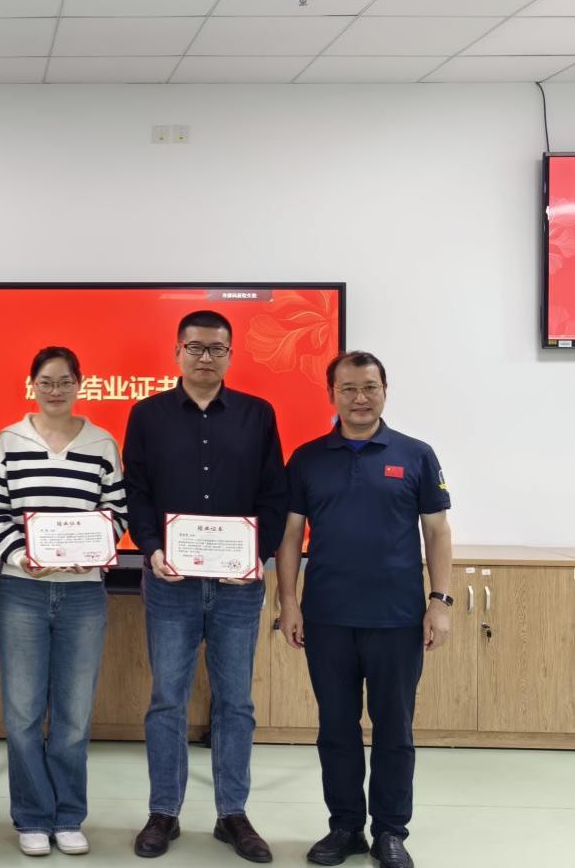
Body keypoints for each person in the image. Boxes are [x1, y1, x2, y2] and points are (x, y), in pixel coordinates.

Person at [276, 351, 452, 868]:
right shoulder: (307, 458)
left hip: (397, 618)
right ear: (331, 394)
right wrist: (289, 602)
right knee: (336, 728)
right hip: (327, 617)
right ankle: (345, 826)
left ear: (384, 391)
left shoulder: (416, 455)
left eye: (369, 387)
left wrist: (439, 602)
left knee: (395, 729)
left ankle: (391, 831)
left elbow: (437, 531)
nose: (359, 398)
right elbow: (290, 536)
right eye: (348, 388)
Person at [122, 310, 286, 863]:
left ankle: (231, 813)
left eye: (217, 349)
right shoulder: (147, 415)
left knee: (235, 702)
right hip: (170, 583)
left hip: (238, 586)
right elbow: (137, 491)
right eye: (195, 347)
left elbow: (274, 493)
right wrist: (151, 548)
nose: (205, 357)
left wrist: (256, 555)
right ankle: (163, 812)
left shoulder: (258, 414)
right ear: (177, 352)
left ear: (231, 356)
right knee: (167, 700)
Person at [0, 346, 127, 858]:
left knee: (73, 715)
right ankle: (32, 817)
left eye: (65, 381)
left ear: (80, 385)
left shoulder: (102, 443)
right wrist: (21, 555)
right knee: (22, 713)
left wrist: (94, 550)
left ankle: (68, 816)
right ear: (33, 385)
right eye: (46, 381)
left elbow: (117, 511)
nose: (56, 390)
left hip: (84, 593)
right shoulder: (9, 440)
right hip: (21, 590)